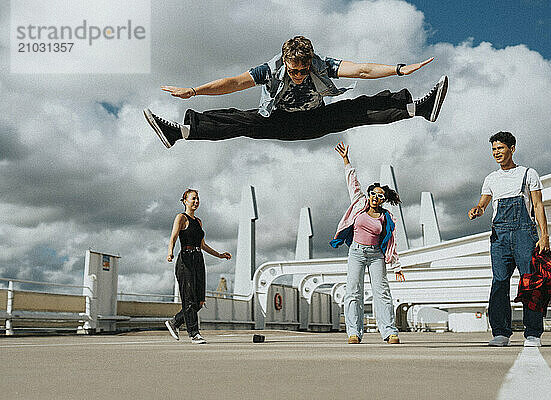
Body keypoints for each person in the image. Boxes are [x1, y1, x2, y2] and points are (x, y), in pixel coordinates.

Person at [143, 36, 448, 148]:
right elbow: (234, 83)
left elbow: (361, 70)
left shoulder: (322, 64)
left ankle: (419, 109)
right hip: (278, 121)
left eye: (304, 70)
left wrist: (398, 69)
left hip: (316, 120)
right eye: (294, 70)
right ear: (285, 62)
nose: (300, 75)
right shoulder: (270, 69)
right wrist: (194, 91)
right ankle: (180, 133)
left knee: (357, 108)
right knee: (238, 120)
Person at [468, 131, 550, 347]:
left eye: (501, 148)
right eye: (494, 149)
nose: (497, 152)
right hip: (500, 237)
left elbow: (538, 205)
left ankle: (533, 334)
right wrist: (477, 209)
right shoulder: (491, 179)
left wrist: (544, 236)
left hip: (525, 233)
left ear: (512, 149)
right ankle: (501, 333)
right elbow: (484, 203)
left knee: (530, 282)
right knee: (499, 283)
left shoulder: (528, 174)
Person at [330, 142, 405, 344]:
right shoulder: (360, 203)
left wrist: (396, 266)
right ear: (369, 194)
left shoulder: (387, 217)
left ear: (384, 199)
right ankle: (353, 332)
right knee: (353, 291)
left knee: (382, 292)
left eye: (379, 196)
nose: (375, 197)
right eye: (373, 193)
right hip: (356, 252)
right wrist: (346, 160)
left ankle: (389, 332)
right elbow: (352, 182)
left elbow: (391, 244)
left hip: (375, 256)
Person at [164, 188, 232, 344]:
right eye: (193, 198)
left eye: (197, 199)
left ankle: (174, 322)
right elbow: (173, 237)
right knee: (188, 298)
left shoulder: (198, 222)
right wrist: (170, 253)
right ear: (185, 201)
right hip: (185, 260)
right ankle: (194, 333)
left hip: (198, 260)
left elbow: (203, 245)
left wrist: (220, 255)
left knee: (200, 301)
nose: (196, 201)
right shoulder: (181, 218)